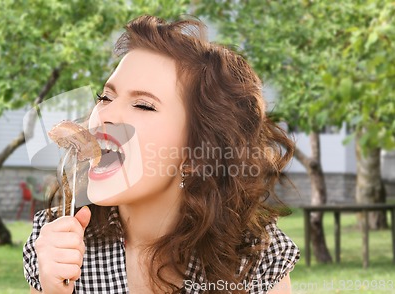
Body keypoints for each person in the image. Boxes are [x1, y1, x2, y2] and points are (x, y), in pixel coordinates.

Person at [23, 15, 300, 294]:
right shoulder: (57, 241)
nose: (104, 114)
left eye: (143, 105)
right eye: (105, 97)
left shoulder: (257, 257)